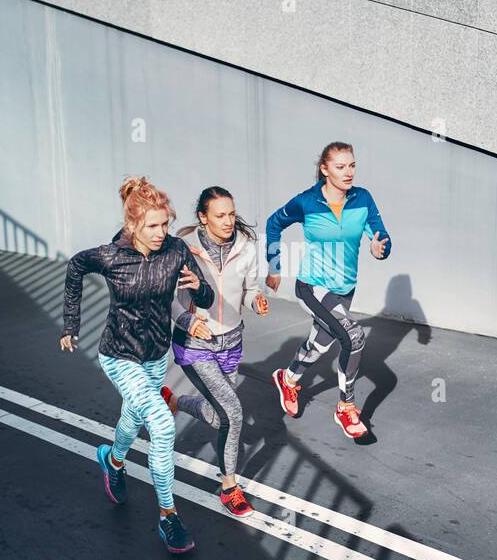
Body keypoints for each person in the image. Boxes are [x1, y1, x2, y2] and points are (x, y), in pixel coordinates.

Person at [60, 176, 214, 554]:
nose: (162, 232)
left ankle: (112, 461)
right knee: (161, 423)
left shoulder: (176, 250)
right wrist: (70, 324)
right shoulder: (111, 255)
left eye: (165, 223)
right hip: (118, 355)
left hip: (155, 355)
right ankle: (168, 517)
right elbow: (75, 268)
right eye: (153, 225)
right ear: (132, 226)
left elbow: (207, 298)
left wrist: (198, 286)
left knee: (133, 416)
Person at [265, 141, 391, 439]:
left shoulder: (363, 199)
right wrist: (274, 266)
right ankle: (346, 407)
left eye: (352, 165)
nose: (348, 172)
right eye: (340, 166)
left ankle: (288, 378)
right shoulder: (306, 202)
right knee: (353, 337)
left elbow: (382, 235)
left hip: (345, 288)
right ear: (324, 169)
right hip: (312, 285)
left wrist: (380, 248)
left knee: (320, 342)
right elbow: (273, 224)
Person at [160, 187, 268, 517]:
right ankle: (230, 487)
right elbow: (170, 300)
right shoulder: (184, 248)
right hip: (195, 344)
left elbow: (250, 288)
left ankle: (174, 402)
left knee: (214, 413)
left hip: (231, 342)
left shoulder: (247, 247)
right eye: (219, 215)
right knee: (233, 413)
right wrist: (190, 321)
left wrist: (256, 300)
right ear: (203, 218)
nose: (228, 221)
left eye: (232, 214)